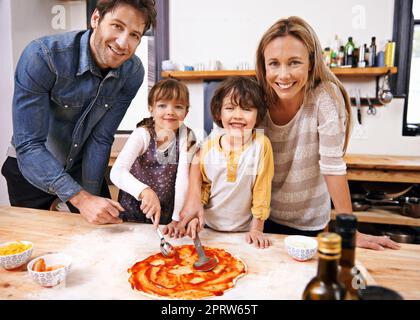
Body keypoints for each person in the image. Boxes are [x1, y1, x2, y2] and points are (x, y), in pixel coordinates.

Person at [1, 0, 157, 225]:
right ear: (95, 19)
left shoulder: (132, 72)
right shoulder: (42, 56)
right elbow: (29, 145)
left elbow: (101, 137)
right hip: (31, 171)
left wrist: (91, 199)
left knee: (99, 242)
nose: (123, 43)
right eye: (117, 26)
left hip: (82, 169)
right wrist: (82, 200)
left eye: (134, 35)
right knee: (43, 253)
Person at [253, 16, 399, 250]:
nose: (283, 75)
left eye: (294, 62)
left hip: (308, 222)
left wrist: (349, 230)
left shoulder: (326, 97)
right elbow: (232, 151)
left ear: (311, 62)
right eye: (274, 63)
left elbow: (332, 166)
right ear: (263, 65)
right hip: (258, 219)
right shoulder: (256, 97)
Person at [179, 76, 274, 249]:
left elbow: (262, 190)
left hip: (245, 233)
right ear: (219, 112)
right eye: (230, 108)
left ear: (258, 113)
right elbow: (205, 186)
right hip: (208, 229)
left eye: (246, 109)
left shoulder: (261, 145)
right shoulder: (209, 145)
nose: (237, 115)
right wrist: (195, 218)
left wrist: (257, 230)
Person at [110, 79, 197, 232]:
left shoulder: (187, 136)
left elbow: (183, 180)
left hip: (167, 212)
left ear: (186, 112)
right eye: (162, 105)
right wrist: (144, 191)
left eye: (178, 106)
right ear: (151, 109)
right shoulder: (142, 134)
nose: (170, 111)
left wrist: (177, 219)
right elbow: (117, 172)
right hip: (134, 210)